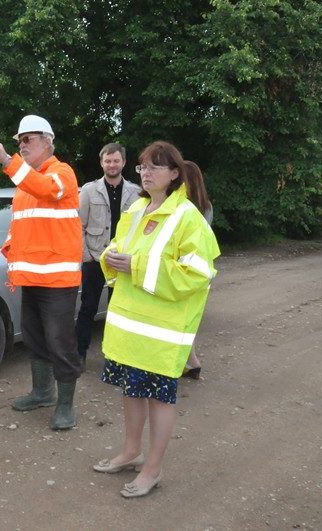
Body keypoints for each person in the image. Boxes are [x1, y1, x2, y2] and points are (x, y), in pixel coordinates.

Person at [92, 141, 219, 498]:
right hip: (129, 326)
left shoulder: (188, 218)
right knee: (132, 391)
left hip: (162, 331)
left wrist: (135, 265)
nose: (146, 173)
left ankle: (153, 467)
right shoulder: (136, 209)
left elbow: (197, 274)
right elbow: (119, 247)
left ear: (175, 174)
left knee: (160, 399)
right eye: (143, 167)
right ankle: (131, 452)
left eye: (154, 167)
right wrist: (111, 257)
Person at [0, 115, 83, 430]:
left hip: (58, 280)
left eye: (27, 139)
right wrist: (10, 253)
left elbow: (47, 190)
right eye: (19, 141)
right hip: (31, 278)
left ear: (47, 141)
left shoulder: (61, 173)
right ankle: (42, 393)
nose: (22, 145)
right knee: (35, 338)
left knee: (60, 342)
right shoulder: (25, 185)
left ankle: (65, 406)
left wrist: (7, 160)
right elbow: (22, 226)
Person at [75, 143, 141, 364]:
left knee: (119, 311)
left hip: (122, 261)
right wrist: (86, 257)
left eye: (116, 161)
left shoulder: (136, 193)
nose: (112, 165)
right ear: (101, 163)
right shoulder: (88, 190)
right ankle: (79, 354)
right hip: (95, 259)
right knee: (87, 308)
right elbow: (78, 226)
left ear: (124, 162)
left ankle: (115, 357)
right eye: (108, 161)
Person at [182, 160, 214, 378]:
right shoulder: (206, 206)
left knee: (180, 319)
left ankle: (189, 362)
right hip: (202, 269)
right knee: (189, 318)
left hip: (185, 269)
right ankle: (192, 362)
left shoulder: (184, 208)